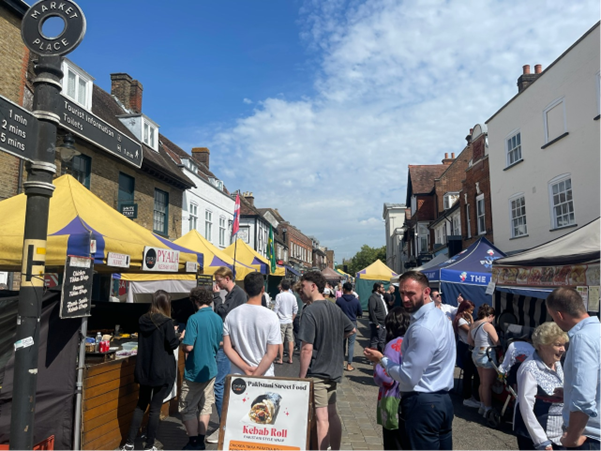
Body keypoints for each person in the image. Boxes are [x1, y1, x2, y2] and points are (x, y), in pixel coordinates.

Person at [364, 271, 456, 451]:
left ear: (426, 292)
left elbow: (408, 377)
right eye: (402, 293)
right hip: (442, 401)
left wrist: (382, 359)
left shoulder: (423, 327)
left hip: (423, 403)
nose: (405, 299)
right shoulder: (440, 318)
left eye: (411, 294)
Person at [298, 271, 356, 451]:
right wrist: (335, 338)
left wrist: (301, 378)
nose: (301, 289)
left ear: (313, 286)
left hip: (318, 371)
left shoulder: (310, 311)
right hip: (334, 369)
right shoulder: (334, 308)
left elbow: (307, 349)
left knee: (321, 418)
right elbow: (351, 330)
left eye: (303, 285)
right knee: (332, 415)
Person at [121, 290, 182, 451]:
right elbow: (172, 344)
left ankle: (129, 443)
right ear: (166, 304)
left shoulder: (142, 320)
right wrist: (179, 336)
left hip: (144, 370)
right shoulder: (167, 322)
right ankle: (149, 445)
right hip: (161, 371)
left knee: (140, 405)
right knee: (155, 409)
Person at [545, 287, 601, 450]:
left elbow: (584, 395)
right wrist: (569, 392)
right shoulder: (597, 332)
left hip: (588, 436)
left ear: (559, 315)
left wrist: (572, 437)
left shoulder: (583, 338)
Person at [179, 287, 223, 451]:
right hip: (211, 367)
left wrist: (183, 340)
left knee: (188, 407)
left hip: (195, 369)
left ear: (195, 301)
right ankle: (201, 440)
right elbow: (220, 342)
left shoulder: (193, 319)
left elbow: (189, 347)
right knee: (206, 405)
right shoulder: (218, 318)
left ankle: (194, 442)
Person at [208, 266, 247, 444]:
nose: (217, 283)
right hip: (228, 342)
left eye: (218, 280)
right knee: (224, 383)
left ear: (227, 279)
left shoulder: (237, 294)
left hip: (228, 344)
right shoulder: (233, 294)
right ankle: (227, 422)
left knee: (219, 384)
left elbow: (223, 313)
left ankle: (224, 424)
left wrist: (216, 297)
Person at [514, 322, 568, 451]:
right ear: (542, 346)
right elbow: (526, 407)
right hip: (537, 437)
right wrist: (541, 441)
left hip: (558, 434)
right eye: (558, 345)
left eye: (563, 345)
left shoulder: (557, 362)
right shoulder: (529, 369)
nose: (563, 349)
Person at [223, 272, 281, 376]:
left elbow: (227, 348)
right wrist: (255, 375)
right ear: (263, 289)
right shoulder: (272, 317)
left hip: (239, 376)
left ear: (245, 290)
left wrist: (245, 368)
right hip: (264, 376)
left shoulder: (231, 315)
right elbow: (271, 353)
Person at [373, 307, 411, 451]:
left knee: (393, 443)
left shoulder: (392, 345)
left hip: (392, 400)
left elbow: (385, 378)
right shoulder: (412, 343)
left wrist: (376, 363)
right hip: (409, 398)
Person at [468, 304, 500, 419]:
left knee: (482, 382)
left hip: (476, 353)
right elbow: (497, 341)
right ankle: (488, 408)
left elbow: (469, 341)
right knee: (487, 384)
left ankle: (482, 406)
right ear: (490, 315)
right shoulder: (488, 325)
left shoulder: (473, 325)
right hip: (487, 353)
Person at [452, 299, 480, 408]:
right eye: (470, 311)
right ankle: (467, 397)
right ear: (465, 310)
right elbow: (472, 332)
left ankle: (471, 395)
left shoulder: (464, 319)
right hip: (465, 347)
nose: (472, 313)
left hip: (468, 347)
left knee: (471, 372)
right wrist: (472, 320)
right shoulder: (461, 321)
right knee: (468, 373)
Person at [335, 282, 363, 371]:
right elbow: (360, 313)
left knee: (342, 344)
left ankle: (342, 362)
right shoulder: (356, 301)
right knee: (351, 344)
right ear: (351, 290)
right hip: (352, 323)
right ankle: (349, 364)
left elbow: (335, 312)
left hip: (341, 324)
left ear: (343, 289)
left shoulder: (339, 300)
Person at [272, 280, 298, 364]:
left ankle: (280, 358)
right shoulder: (292, 296)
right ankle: (290, 358)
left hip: (281, 321)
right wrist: (292, 318)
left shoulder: (279, 296)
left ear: (282, 286)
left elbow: (276, 309)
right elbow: (296, 309)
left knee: (280, 340)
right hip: (289, 320)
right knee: (290, 340)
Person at [368, 282, 388, 352]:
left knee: (382, 341)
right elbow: (371, 311)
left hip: (383, 323)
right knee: (375, 341)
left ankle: (380, 357)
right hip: (378, 324)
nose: (383, 288)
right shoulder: (373, 297)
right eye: (382, 287)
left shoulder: (380, 297)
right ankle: (372, 359)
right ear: (377, 288)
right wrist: (376, 323)